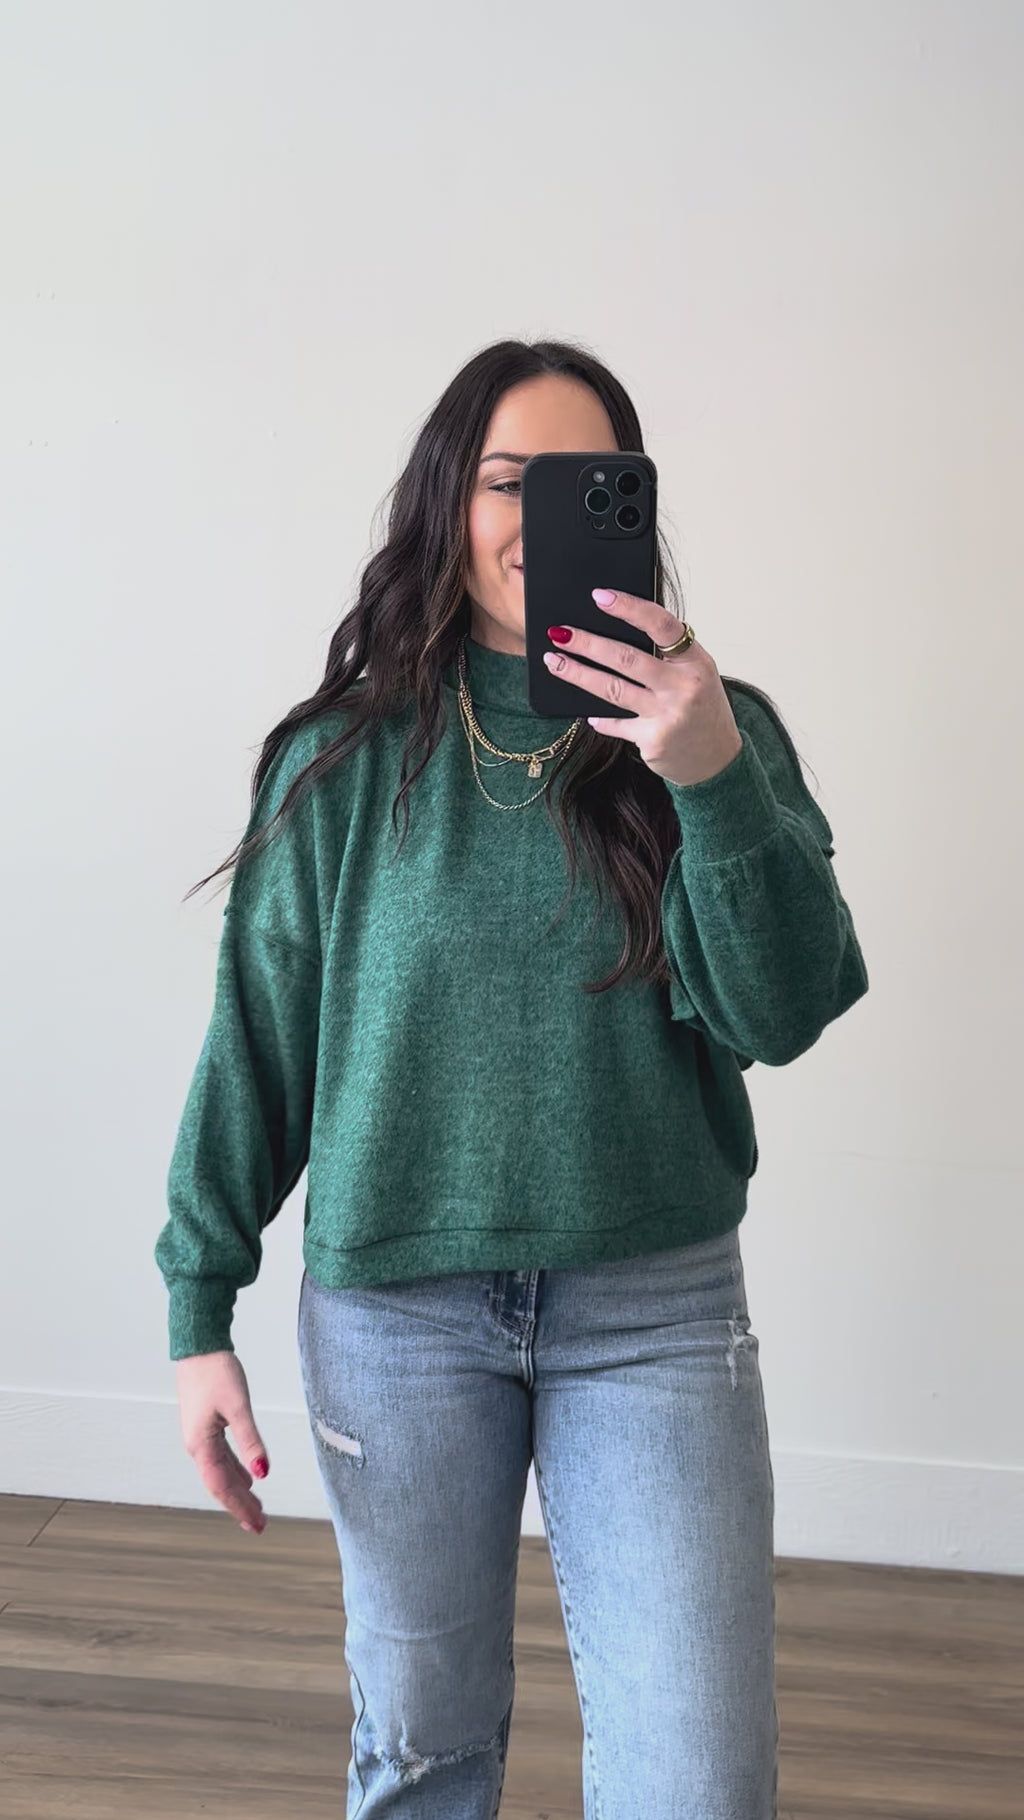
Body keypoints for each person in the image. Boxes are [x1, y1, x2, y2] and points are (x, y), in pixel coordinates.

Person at [156, 338, 869, 1818]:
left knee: (700, 1783)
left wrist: (709, 774)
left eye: (580, 485)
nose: (538, 518)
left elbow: (788, 1010)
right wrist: (197, 1308)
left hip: (655, 1311)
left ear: (629, 507)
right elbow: (257, 1044)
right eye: (506, 481)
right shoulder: (342, 762)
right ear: (448, 501)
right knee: (423, 1755)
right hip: (397, 1318)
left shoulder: (717, 732)